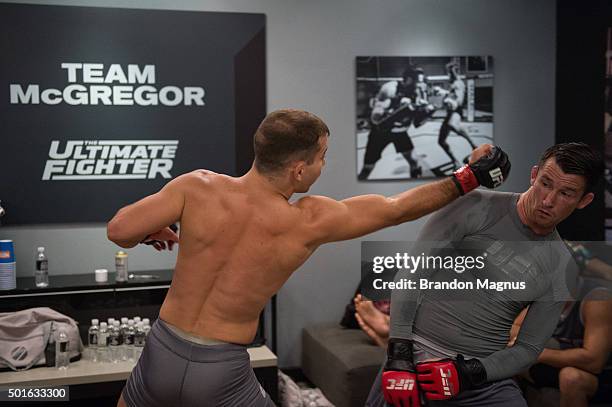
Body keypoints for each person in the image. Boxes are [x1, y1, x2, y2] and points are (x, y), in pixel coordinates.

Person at [107, 109, 510, 407]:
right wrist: (470, 176)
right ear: (299, 171)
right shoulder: (309, 221)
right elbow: (395, 208)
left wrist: (149, 230)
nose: (323, 164)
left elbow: (119, 229)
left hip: (160, 353)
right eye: (323, 156)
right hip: (221, 372)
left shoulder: (196, 187)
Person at [365, 142, 602, 407]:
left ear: (584, 201)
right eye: (545, 183)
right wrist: (399, 353)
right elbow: (412, 274)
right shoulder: (474, 207)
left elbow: (528, 348)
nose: (548, 200)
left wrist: (470, 373)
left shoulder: (562, 266)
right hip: (417, 355)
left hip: (481, 377)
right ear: (534, 175)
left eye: (566, 193)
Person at [514, 241, 612, 407]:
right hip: (561, 360)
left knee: (571, 377)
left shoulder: (597, 299)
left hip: (599, 376)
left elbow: (594, 361)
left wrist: (540, 353)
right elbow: (514, 329)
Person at [358, 67, 424, 180]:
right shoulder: (390, 89)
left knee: (414, 162)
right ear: (408, 79)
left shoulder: (417, 92)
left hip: (400, 132)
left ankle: (416, 190)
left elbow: (417, 123)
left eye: (421, 82)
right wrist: (397, 105)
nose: (419, 85)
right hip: (380, 133)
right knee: (367, 168)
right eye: (417, 81)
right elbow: (375, 118)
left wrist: (424, 112)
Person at [435, 62, 478, 168]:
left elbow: (458, 102)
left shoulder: (458, 83)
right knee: (441, 141)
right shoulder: (453, 84)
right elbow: (451, 97)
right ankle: (455, 161)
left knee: (453, 125)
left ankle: (474, 146)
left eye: (450, 72)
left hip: (456, 112)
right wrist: (444, 93)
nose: (449, 75)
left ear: (455, 72)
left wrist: (446, 97)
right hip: (450, 113)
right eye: (448, 72)